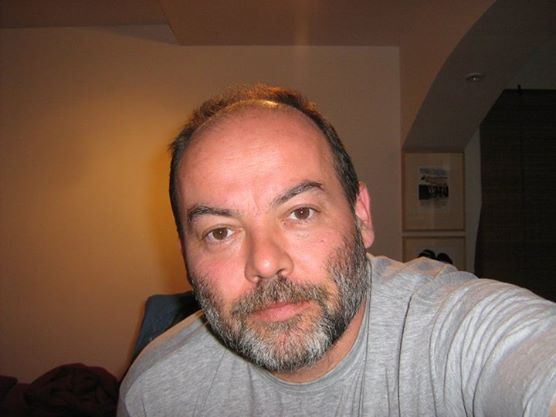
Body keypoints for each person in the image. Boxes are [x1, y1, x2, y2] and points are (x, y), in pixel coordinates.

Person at [118, 85, 556, 417]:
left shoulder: (456, 334)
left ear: (360, 215)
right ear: (185, 254)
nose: (265, 262)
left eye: (300, 212)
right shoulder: (155, 394)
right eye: (220, 233)